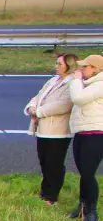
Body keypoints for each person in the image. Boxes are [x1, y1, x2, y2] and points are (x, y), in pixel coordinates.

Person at [25, 53, 77, 207]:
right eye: (56, 63)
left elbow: (64, 104)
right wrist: (32, 106)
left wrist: (39, 111)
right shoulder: (52, 81)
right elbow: (38, 96)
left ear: (69, 65)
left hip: (59, 131)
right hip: (43, 128)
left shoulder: (72, 83)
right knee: (44, 161)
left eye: (59, 64)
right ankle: (44, 191)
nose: (56, 66)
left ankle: (52, 195)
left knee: (54, 163)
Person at [69, 53, 103, 221]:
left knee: (88, 174)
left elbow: (78, 99)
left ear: (95, 69)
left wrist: (76, 81)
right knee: (84, 173)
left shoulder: (100, 84)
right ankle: (83, 205)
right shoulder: (87, 84)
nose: (81, 70)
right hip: (81, 133)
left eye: (85, 67)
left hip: (96, 135)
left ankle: (92, 211)